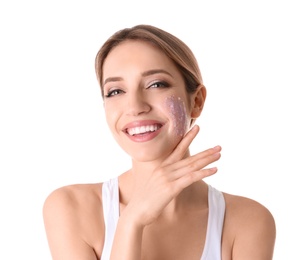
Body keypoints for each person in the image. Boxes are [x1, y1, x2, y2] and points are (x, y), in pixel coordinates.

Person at [43, 24, 276, 260]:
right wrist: (131, 222)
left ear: (196, 101)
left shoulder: (248, 222)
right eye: (115, 91)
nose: (135, 107)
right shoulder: (71, 208)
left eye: (156, 84)